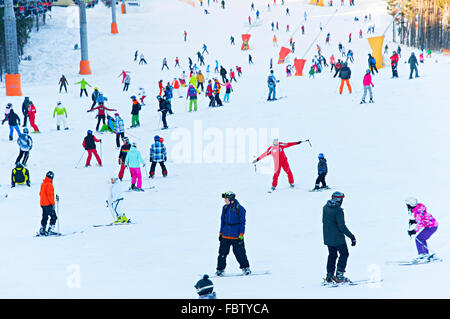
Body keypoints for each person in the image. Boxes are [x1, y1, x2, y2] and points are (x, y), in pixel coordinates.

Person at [322, 192, 356, 284]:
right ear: (339, 200)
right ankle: (339, 275)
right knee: (344, 254)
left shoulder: (325, 207)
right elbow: (342, 226)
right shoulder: (338, 210)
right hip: (338, 238)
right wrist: (351, 237)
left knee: (332, 255)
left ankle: (329, 275)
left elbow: (324, 222)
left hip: (328, 238)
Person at [216, 191, 251, 276]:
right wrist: (220, 233)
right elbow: (222, 222)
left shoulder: (240, 209)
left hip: (236, 236)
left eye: (226, 198)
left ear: (231, 199)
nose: (225, 200)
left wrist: (241, 235)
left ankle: (245, 268)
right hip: (225, 235)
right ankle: (220, 269)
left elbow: (242, 223)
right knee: (222, 253)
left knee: (240, 253)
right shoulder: (224, 208)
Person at [405, 197, 439, 262]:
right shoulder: (418, 209)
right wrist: (414, 221)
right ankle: (425, 254)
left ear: (411, 205)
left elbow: (421, 222)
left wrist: (413, 231)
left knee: (419, 238)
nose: (407, 207)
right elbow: (422, 218)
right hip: (432, 225)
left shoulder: (417, 211)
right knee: (421, 238)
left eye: (408, 206)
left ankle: (423, 255)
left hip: (431, 227)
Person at [39, 171, 58, 236]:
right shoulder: (49, 185)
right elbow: (50, 195)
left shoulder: (43, 184)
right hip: (48, 204)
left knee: (45, 216)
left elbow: (40, 193)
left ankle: (42, 229)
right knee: (54, 217)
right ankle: (50, 230)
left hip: (42, 204)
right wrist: (53, 203)